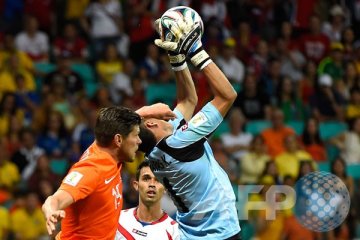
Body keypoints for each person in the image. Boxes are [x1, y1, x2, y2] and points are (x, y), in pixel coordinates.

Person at [138, 15, 240, 239]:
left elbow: (187, 101)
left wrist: (176, 58)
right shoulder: (178, 142)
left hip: (192, 233)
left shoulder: (159, 145)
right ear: (152, 122)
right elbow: (227, 96)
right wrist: (195, 50)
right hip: (219, 234)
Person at [41, 106, 142, 239]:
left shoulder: (104, 147)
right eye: (136, 135)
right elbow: (55, 199)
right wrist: (51, 211)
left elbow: (111, 123)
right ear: (118, 140)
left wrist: (148, 111)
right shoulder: (92, 169)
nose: (139, 141)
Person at [115, 161, 179, 240]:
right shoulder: (118, 219)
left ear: (165, 188)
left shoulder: (174, 232)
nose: (152, 184)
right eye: (146, 179)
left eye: (157, 180)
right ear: (136, 185)